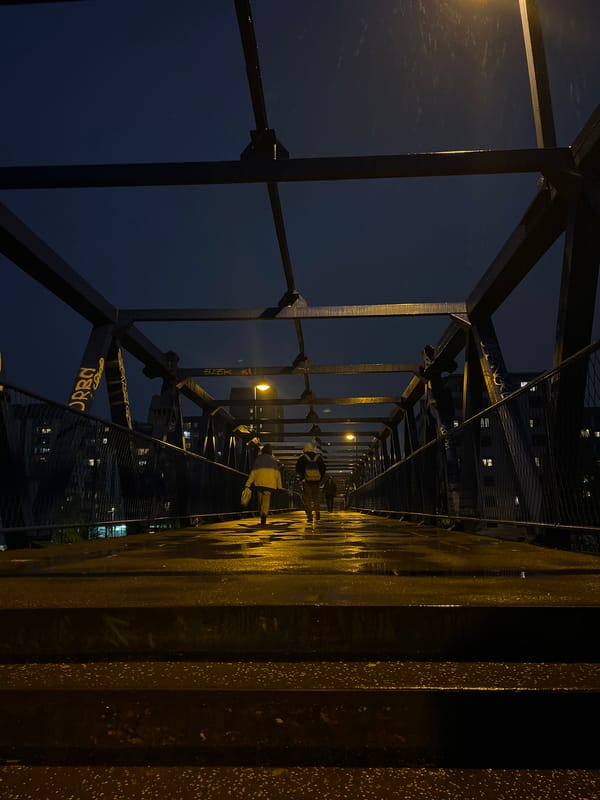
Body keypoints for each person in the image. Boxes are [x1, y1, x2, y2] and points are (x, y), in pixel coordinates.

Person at [244, 443, 282, 527]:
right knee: (266, 501)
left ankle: (261, 514)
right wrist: (279, 486)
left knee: (260, 500)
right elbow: (277, 474)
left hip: (259, 483)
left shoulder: (258, 459)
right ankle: (264, 517)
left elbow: (253, 473)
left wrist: (248, 484)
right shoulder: (273, 461)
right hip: (269, 485)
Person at [295, 442, 326, 523]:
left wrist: (302, 477)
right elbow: (323, 469)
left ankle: (309, 515)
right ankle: (317, 512)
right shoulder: (318, 457)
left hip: (307, 481)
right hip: (316, 481)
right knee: (316, 498)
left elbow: (297, 469)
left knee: (307, 499)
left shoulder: (302, 458)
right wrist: (319, 478)